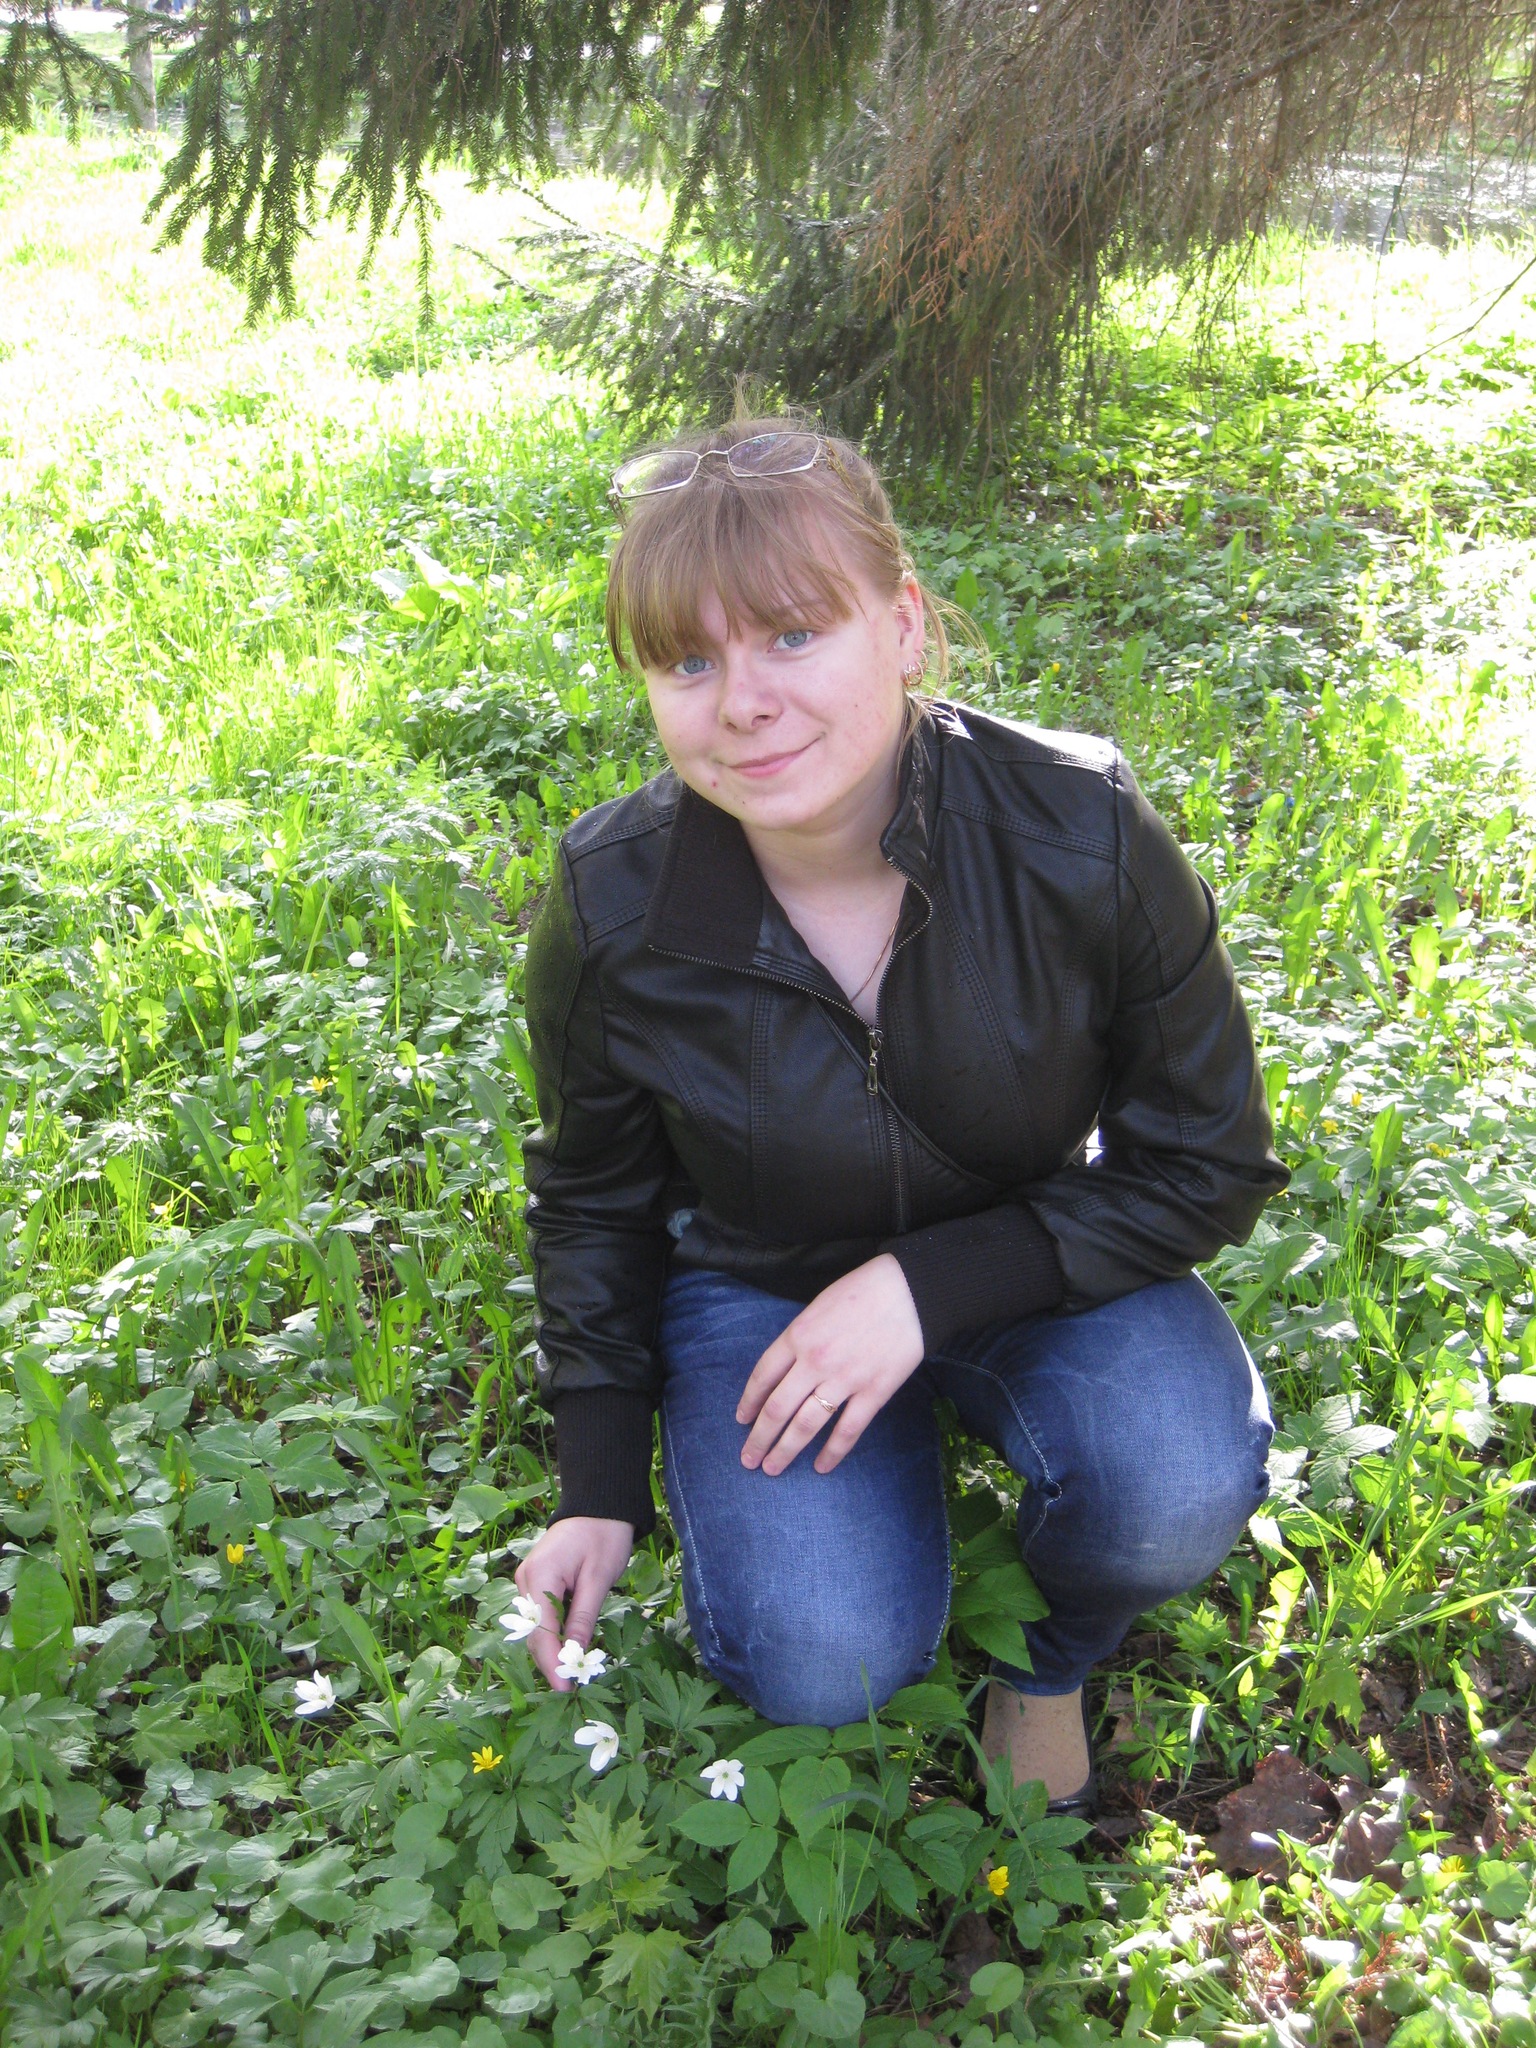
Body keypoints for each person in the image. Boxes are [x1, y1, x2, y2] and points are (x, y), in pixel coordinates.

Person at [512, 412, 1288, 1816]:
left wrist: (925, 1290)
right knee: (823, 1663)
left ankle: (1046, 1666)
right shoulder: (613, 901)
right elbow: (592, 1198)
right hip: (756, 1286)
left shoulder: (1078, 830)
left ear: (906, 625)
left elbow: (1207, 1160)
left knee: (1176, 1477)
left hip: (1035, 1246)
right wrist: (599, 1480)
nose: (742, 702)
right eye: (688, 661)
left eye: (793, 634)